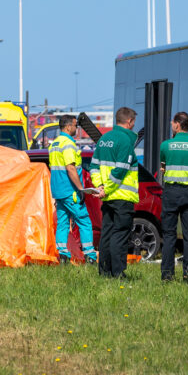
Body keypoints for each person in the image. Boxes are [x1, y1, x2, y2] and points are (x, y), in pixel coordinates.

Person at [89, 107, 139, 278]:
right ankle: (118, 273)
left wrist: (100, 187)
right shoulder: (125, 141)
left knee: (107, 234)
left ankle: (104, 271)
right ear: (129, 122)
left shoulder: (104, 139)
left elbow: (93, 166)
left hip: (108, 197)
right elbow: (120, 170)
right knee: (120, 234)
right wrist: (107, 189)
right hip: (122, 196)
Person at [160, 112, 188, 282]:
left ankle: (167, 275)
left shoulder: (166, 145)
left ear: (177, 125)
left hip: (171, 192)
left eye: (173, 123)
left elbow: (163, 166)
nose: (172, 125)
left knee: (169, 234)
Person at [49, 114, 97, 263]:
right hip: (70, 191)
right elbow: (70, 168)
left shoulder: (54, 144)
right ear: (68, 126)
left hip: (59, 191)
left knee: (63, 223)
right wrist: (81, 189)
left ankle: (63, 255)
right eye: (75, 125)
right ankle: (90, 256)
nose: (76, 128)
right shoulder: (68, 144)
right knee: (84, 221)